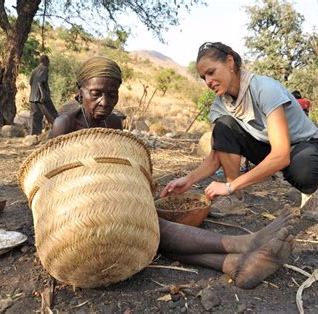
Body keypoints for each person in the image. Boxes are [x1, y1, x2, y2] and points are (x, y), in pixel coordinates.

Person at [51, 56, 295, 289]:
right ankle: (243, 243)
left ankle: (234, 265)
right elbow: (54, 184)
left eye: (112, 94)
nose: (104, 101)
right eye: (96, 94)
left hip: (110, 206)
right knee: (150, 225)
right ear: (80, 89)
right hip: (76, 219)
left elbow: (117, 168)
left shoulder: (113, 123)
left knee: (147, 235)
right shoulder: (65, 124)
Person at [161, 42, 318, 221]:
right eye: (203, 77)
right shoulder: (219, 105)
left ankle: (311, 192)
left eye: (211, 72)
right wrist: (189, 179)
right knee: (224, 126)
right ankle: (235, 198)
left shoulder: (265, 89)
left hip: (299, 147)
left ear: (230, 62)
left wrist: (229, 185)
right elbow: (216, 156)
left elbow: (281, 155)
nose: (208, 82)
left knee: (304, 173)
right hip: (265, 146)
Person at [29, 55, 58, 135]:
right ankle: (59, 131)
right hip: (42, 97)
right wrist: (42, 95)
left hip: (32, 98)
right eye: (48, 61)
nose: (49, 63)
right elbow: (40, 82)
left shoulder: (34, 70)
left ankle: (34, 135)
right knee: (53, 115)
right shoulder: (44, 68)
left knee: (35, 118)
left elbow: (30, 83)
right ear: (45, 61)